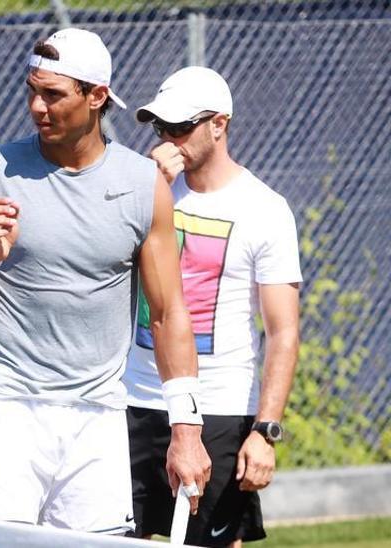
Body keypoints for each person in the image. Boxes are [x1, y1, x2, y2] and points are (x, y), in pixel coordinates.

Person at [0, 28, 212, 533]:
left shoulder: (143, 186)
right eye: (32, 91)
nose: (37, 107)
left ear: (97, 96)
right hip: (7, 410)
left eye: (53, 94)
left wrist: (186, 429)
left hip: (96, 418)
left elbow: (167, 314)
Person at [125, 67, 302, 547]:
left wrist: (264, 433)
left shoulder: (264, 209)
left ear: (219, 124)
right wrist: (147, 186)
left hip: (221, 409)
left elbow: (282, 332)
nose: (168, 140)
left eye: (181, 128)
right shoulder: (143, 189)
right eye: (161, 128)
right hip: (134, 400)